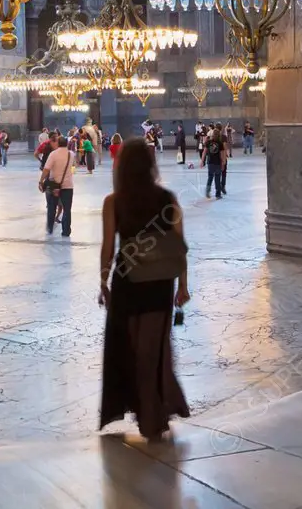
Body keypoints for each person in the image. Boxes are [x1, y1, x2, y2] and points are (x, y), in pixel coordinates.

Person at [99, 138, 191, 441]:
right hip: (159, 284)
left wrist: (103, 282)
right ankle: (155, 412)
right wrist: (183, 286)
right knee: (154, 349)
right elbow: (179, 247)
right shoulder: (167, 199)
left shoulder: (114, 201)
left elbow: (108, 248)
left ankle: (144, 410)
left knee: (129, 349)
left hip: (127, 283)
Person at [39, 135, 74, 237]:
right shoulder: (71, 154)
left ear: (58, 143)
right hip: (68, 185)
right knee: (67, 209)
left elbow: (46, 169)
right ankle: (66, 231)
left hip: (54, 185)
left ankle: (50, 228)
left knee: (51, 207)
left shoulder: (53, 154)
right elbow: (73, 166)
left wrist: (41, 181)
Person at [201, 127, 227, 199]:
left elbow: (204, 152)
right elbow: (222, 155)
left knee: (210, 177)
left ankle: (207, 192)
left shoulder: (208, 142)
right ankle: (218, 194)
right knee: (217, 178)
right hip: (217, 163)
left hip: (210, 163)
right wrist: (223, 163)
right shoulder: (220, 143)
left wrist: (202, 161)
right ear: (219, 135)